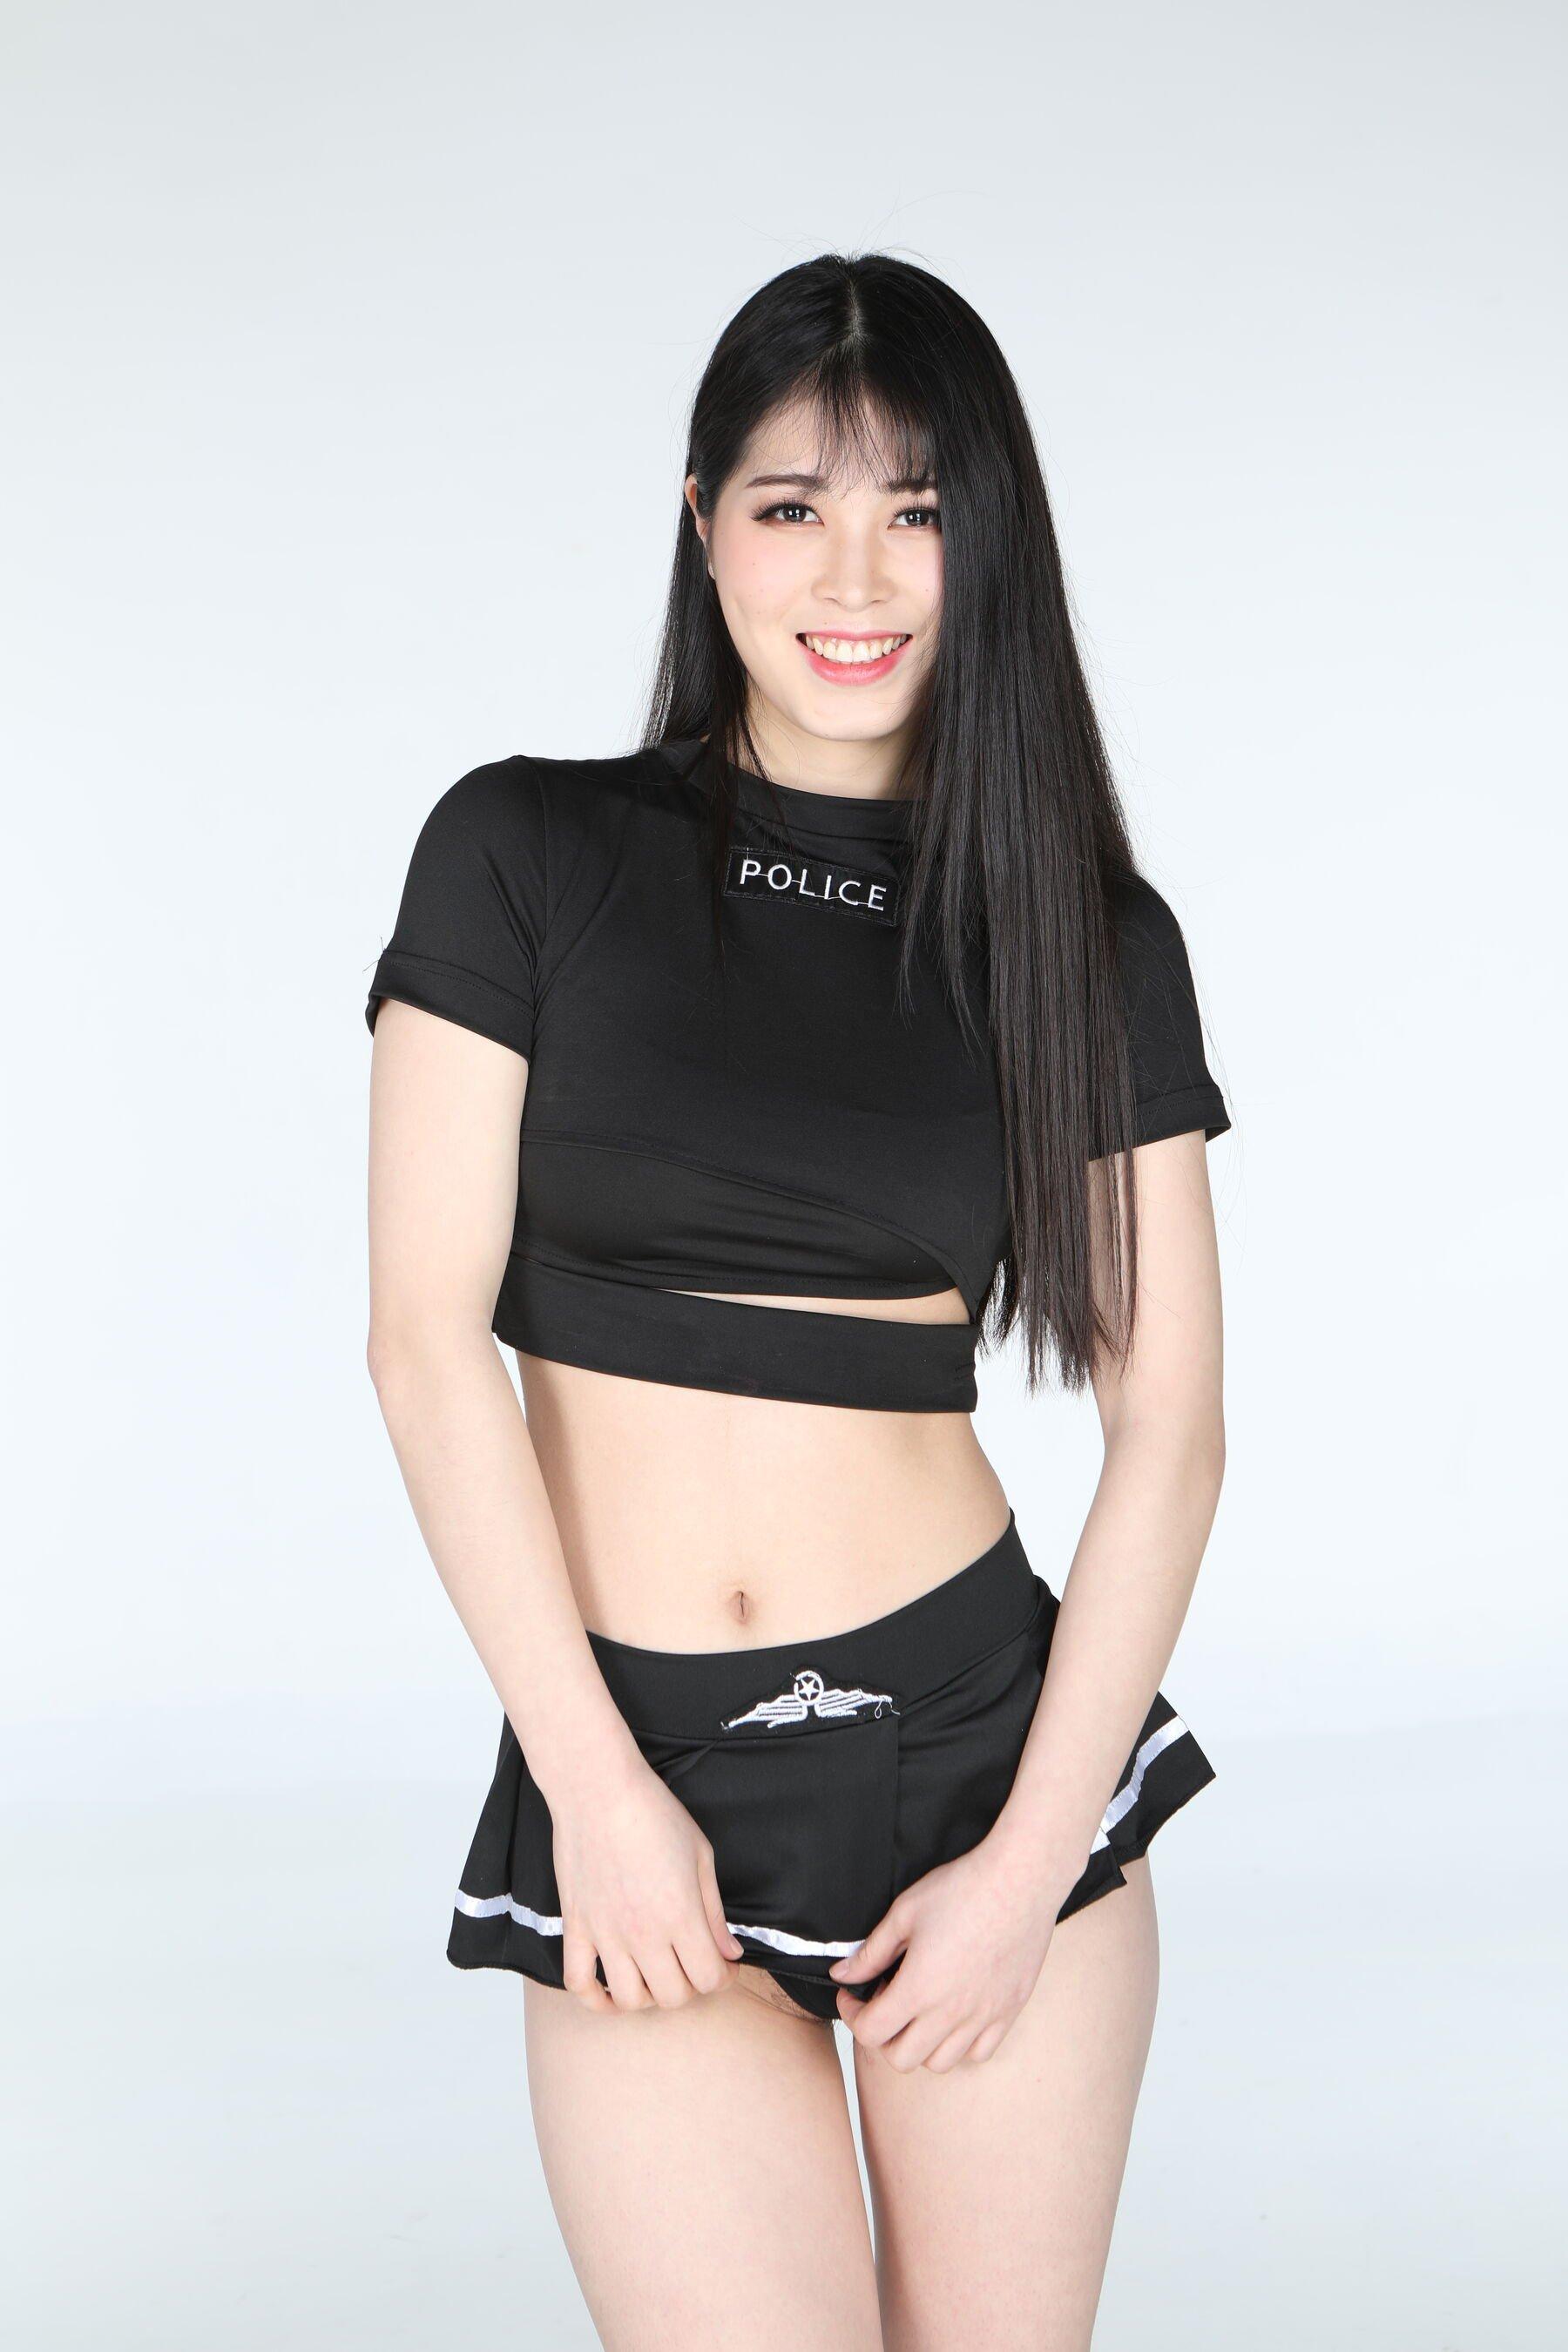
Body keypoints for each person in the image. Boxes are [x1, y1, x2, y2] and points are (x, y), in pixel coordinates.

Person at [365, 251, 1232, 2351]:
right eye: (792, 504)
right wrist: (596, 1794)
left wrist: (1030, 1865)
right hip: (637, 1771)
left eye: (917, 509)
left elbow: (1173, 1432)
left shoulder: (1083, 939)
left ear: (989, 539)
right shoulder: (525, 855)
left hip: (984, 1764)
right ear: (703, 524)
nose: (855, 573)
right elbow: (423, 1345)